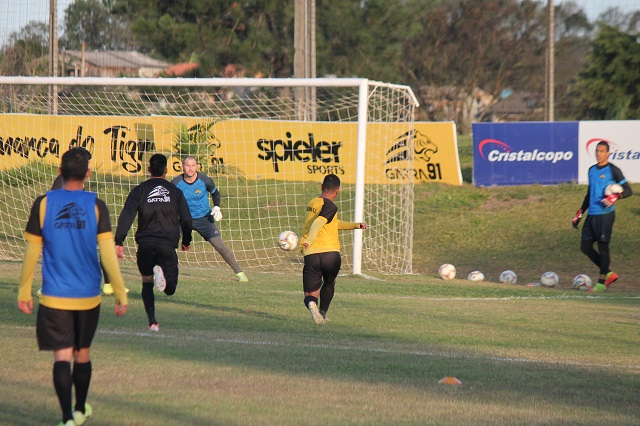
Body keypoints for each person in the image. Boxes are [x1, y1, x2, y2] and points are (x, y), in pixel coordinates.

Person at [18, 147, 128, 426]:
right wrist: (119, 290)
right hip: (88, 296)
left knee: (61, 357)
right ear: (87, 174)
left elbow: (32, 251)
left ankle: (67, 417)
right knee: (82, 354)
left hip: (54, 297)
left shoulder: (43, 203)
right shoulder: (95, 205)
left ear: (59, 172)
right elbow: (106, 254)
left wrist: (24, 290)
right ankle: (79, 410)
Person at [115, 153, 193, 331]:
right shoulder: (176, 192)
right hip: (167, 245)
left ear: (149, 169)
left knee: (146, 281)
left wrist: (119, 240)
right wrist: (186, 239)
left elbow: (127, 215)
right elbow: (187, 220)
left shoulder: (139, 190)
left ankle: (152, 322)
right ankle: (163, 279)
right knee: (170, 288)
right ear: (166, 171)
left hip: (145, 244)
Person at [50, 147, 129, 296]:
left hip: (82, 221)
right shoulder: (62, 179)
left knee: (105, 247)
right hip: (68, 225)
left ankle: (108, 284)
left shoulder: (78, 180)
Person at [300, 174, 368, 325]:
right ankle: (323, 313)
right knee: (330, 283)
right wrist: (310, 239)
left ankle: (312, 306)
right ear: (337, 191)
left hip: (312, 254)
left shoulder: (313, 203)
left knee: (309, 293)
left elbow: (333, 223)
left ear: (321, 186)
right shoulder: (330, 206)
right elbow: (318, 223)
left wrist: (355, 225)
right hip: (331, 254)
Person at [171, 156, 248, 282]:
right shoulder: (175, 183)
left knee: (220, 246)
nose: (190, 169)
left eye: (193, 165)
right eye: (187, 165)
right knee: (169, 243)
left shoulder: (205, 180)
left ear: (196, 166)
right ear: (182, 167)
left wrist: (217, 207)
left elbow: (215, 193)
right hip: (183, 219)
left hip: (204, 218)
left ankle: (240, 273)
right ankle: (161, 271)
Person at [572, 141, 632, 293]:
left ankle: (601, 283)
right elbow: (589, 194)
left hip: (605, 215)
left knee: (603, 247)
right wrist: (580, 213)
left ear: (608, 153)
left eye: (602, 151)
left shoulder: (613, 170)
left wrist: (615, 197)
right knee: (585, 246)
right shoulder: (591, 170)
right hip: (591, 214)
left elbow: (628, 190)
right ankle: (609, 273)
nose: (599, 154)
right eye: (597, 151)